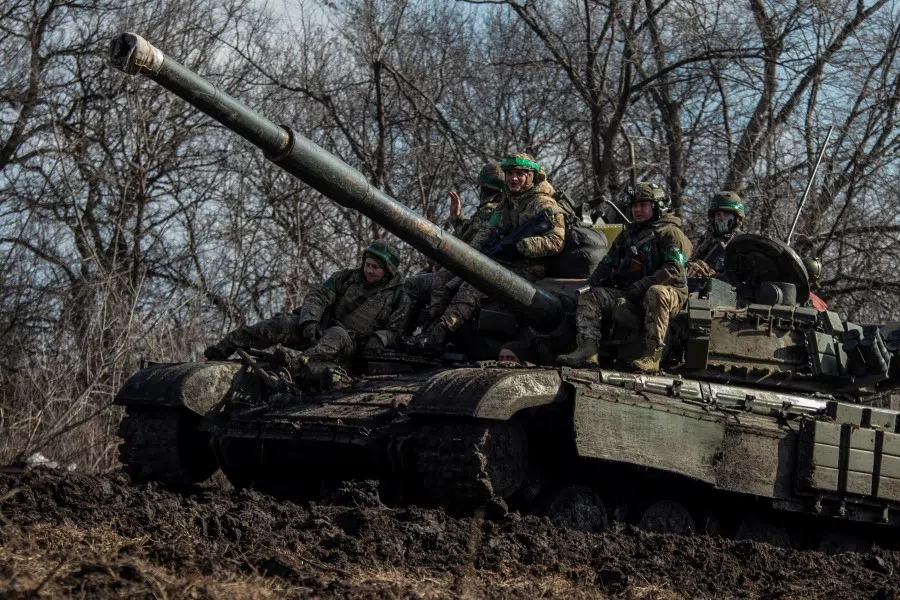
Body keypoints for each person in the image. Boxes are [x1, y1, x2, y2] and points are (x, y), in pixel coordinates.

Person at [413, 153, 568, 348]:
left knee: (475, 284)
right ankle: (426, 329)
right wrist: (468, 259)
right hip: (503, 262)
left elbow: (556, 241)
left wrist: (523, 246)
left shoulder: (543, 204)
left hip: (528, 268)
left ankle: (438, 335)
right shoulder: (506, 203)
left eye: (519, 174)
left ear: (530, 176)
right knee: (450, 277)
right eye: (510, 173)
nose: (513, 179)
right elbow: (486, 232)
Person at [557, 182, 692, 373]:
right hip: (631, 293)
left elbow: (674, 270)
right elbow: (607, 264)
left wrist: (642, 286)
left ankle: (653, 355)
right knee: (591, 295)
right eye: (634, 205)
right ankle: (588, 349)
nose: (637, 210)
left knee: (657, 292)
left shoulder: (670, 234)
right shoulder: (628, 235)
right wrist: (589, 285)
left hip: (669, 295)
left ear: (657, 207)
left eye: (643, 205)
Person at [204, 240, 409, 361]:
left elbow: (396, 332)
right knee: (282, 323)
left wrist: (380, 339)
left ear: (388, 270)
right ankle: (224, 347)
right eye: (367, 264)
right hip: (320, 329)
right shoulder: (346, 278)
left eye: (376, 267)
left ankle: (297, 367)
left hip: (352, 346)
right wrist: (310, 320)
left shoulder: (400, 296)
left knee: (336, 335)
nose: (369, 270)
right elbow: (318, 295)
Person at [419, 163, 506, 325]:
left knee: (421, 283)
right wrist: (457, 217)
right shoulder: (492, 211)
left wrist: (439, 263)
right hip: (469, 264)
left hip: (468, 267)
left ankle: (429, 324)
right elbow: (469, 233)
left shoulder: (489, 211)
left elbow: (465, 244)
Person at [686, 191, 744, 278]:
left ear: (737, 218)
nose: (721, 218)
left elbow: (743, 280)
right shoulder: (707, 242)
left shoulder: (743, 243)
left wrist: (714, 275)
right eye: (718, 214)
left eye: (726, 214)